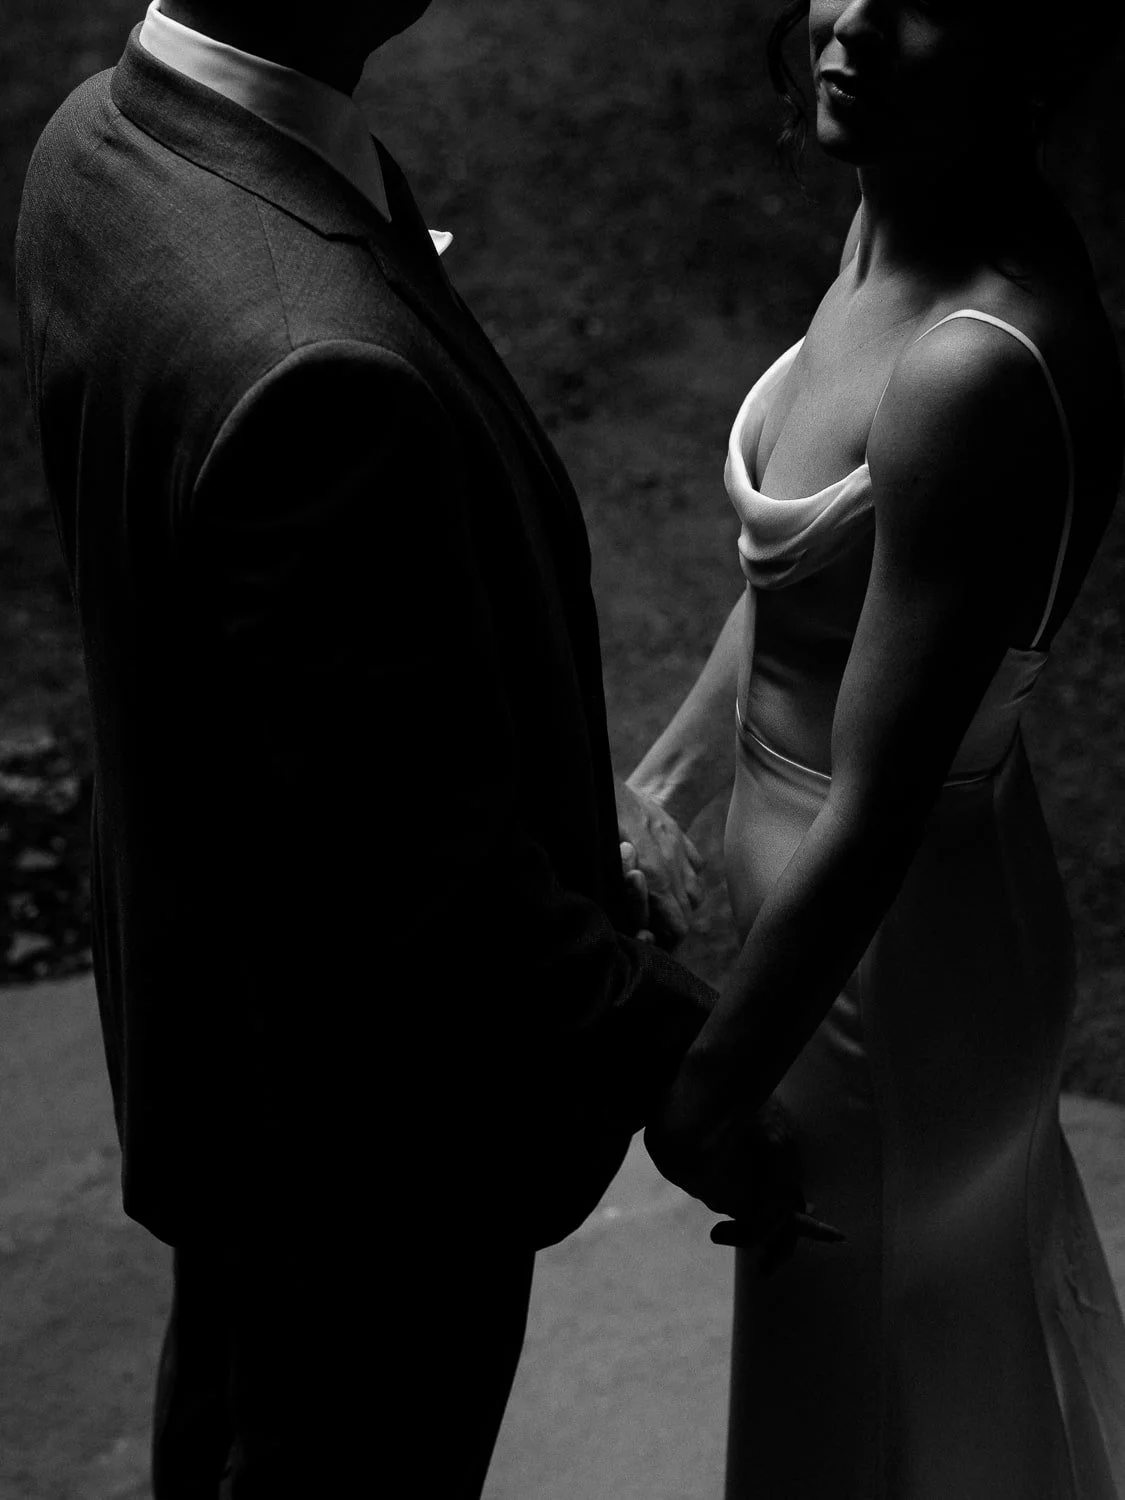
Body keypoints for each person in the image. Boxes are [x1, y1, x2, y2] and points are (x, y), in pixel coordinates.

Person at [11, 3, 764, 1494]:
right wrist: (691, 1054)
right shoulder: (321, 371)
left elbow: (295, 703)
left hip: (229, 1054)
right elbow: (431, 885)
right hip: (375, 1155)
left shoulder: (97, 144)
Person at [629, 1, 1125, 1494]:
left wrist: (701, 1094)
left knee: (867, 1404)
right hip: (839, 934)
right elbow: (809, 594)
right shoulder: (890, 214)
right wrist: (662, 790)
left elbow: (878, 807)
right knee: (870, 1375)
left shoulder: (971, 369)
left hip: (891, 967)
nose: (848, 18)